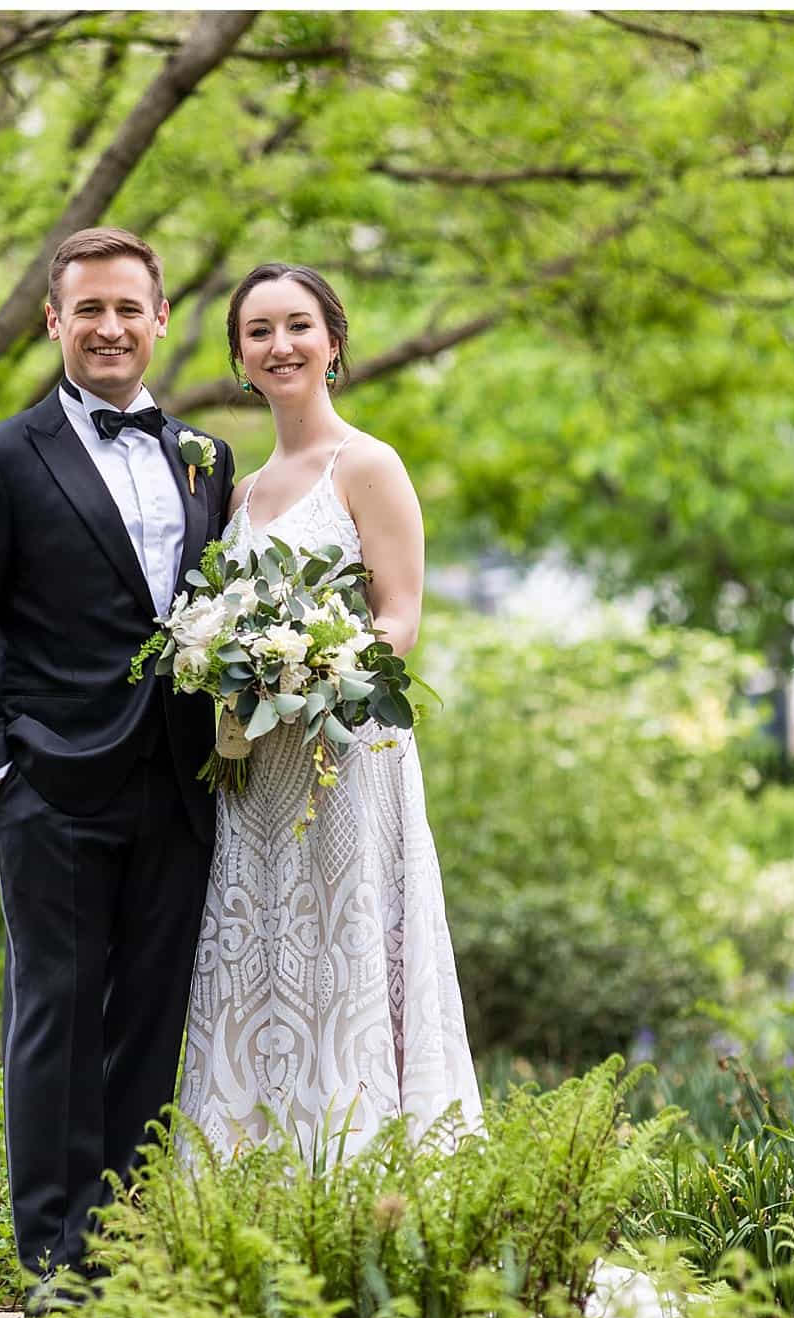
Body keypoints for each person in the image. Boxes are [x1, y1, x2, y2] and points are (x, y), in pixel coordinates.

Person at [0, 227, 234, 1305]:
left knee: (149, 1018)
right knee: (53, 1015)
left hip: (180, 782)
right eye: (86, 309)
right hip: (51, 784)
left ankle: (124, 1243)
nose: (108, 327)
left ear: (158, 321)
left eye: (127, 309)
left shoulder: (205, 458)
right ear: (53, 321)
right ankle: (52, 1260)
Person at [176, 262, 482, 1164]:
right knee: (263, 966)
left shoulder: (369, 465)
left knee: (343, 962)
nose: (282, 346)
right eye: (260, 331)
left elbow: (400, 619)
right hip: (257, 773)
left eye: (299, 326)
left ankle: (364, 1178)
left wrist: (319, 671)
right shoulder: (236, 494)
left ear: (334, 344)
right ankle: (249, 1184)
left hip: (346, 757)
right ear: (239, 358)